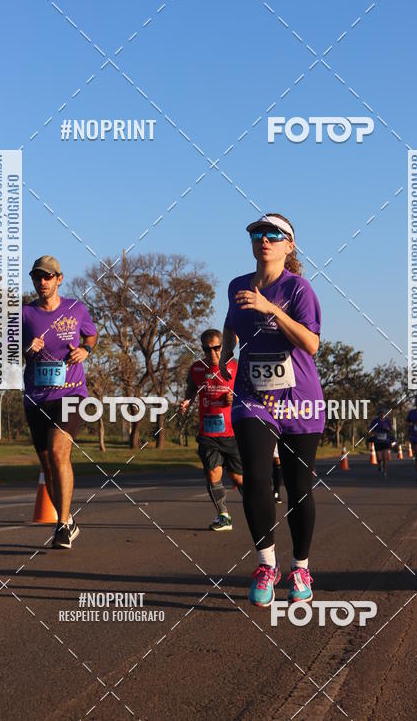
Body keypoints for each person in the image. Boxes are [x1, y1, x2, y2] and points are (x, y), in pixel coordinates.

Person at [219, 213, 324, 607]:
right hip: (252, 395)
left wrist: (271, 309)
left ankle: (300, 567)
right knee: (257, 479)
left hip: (300, 399)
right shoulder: (236, 286)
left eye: (274, 234)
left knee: (298, 489)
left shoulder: (298, 288)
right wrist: (227, 347)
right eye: (258, 233)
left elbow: (311, 344)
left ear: (289, 245)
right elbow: (232, 319)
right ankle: (266, 564)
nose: (264, 239)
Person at [23, 256, 98, 548]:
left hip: (71, 394)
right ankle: (67, 521)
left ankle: (61, 525)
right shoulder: (24, 314)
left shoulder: (76, 309)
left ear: (59, 279)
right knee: (48, 465)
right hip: (36, 398)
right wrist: (28, 349)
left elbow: (91, 336)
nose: (42, 282)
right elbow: (9, 350)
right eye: (37, 277)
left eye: (47, 277)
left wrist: (84, 350)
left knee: (58, 451)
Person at [180, 329, 242, 531]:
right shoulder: (197, 369)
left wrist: (235, 399)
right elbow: (191, 388)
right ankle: (223, 516)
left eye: (216, 348)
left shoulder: (236, 367)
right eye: (207, 350)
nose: (213, 353)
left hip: (233, 434)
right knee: (213, 474)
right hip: (208, 434)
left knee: (237, 478)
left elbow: (250, 396)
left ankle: (256, 508)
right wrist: (187, 401)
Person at [368, 411, 396, 477]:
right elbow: (370, 429)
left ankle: (385, 471)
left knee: (385, 458)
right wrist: (374, 433)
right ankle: (380, 464)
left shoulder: (387, 421)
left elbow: (391, 430)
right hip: (377, 441)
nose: (383, 415)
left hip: (386, 441)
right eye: (381, 413)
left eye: (384, 413)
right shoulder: (375, 421)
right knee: (379, 458)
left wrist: (388, 429)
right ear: (379, 414)